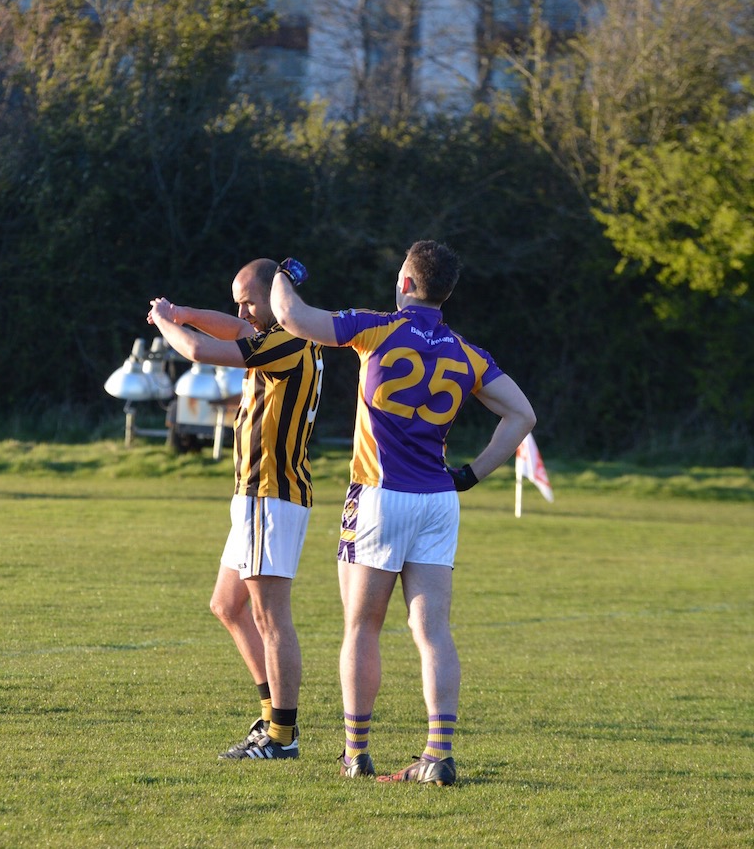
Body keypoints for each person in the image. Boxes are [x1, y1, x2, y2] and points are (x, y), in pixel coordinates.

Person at [269, 240, 536, 785]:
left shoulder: (377, 327)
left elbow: (290, 316)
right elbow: (521, 414)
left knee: (362, 626)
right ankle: (438, 755)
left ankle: (355, 753)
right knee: (432, 629)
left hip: (379, 495)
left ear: (407, 284)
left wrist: (281, 273)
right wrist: (472, 474)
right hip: (437, 499)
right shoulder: (466, 352)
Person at [147, 258, 324, 760]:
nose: (242, 309)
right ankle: (271, 717)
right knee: (227, 606)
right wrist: (181, 310)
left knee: (271, 617)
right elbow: (237, 328)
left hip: (271, 494)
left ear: (277, 296)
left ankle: (282, 735)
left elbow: (203, 350)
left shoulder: (289, 339)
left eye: (249, 298)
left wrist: (164, 322)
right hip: (254, 496)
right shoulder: (280, 334)